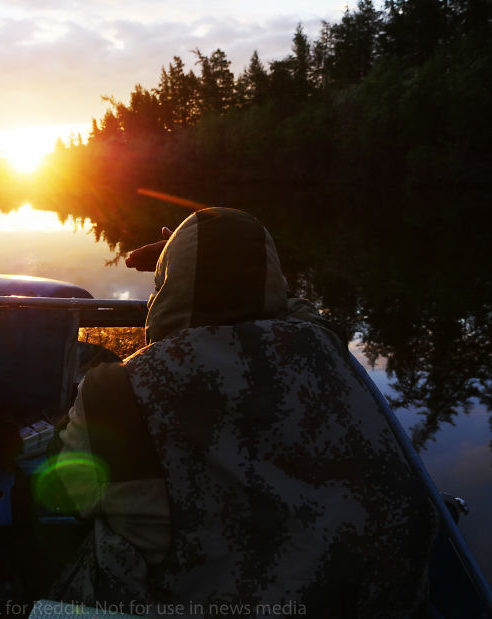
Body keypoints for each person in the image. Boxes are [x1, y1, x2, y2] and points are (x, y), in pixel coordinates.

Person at [46, 207, 438, 617]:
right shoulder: (323, 344)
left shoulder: (115, 389)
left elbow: (69, 495)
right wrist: (211, 265)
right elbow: (302, 312)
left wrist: (177, 264)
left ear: (166, 288)